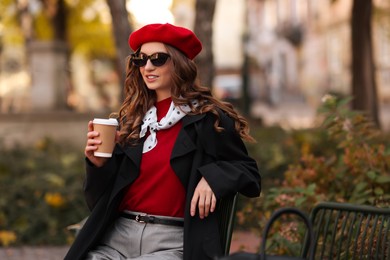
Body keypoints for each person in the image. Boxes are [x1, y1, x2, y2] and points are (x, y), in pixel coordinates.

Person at [64, 23, 261, 260]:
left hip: (171, 242)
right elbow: (97, 200)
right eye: (141, 60)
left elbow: (250, 173)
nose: (147, 67)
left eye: (158, 59)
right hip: (117, 236)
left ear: (179, 63)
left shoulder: (208, 119)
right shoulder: (133, 121)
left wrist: (213, 177)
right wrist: (97, 165)